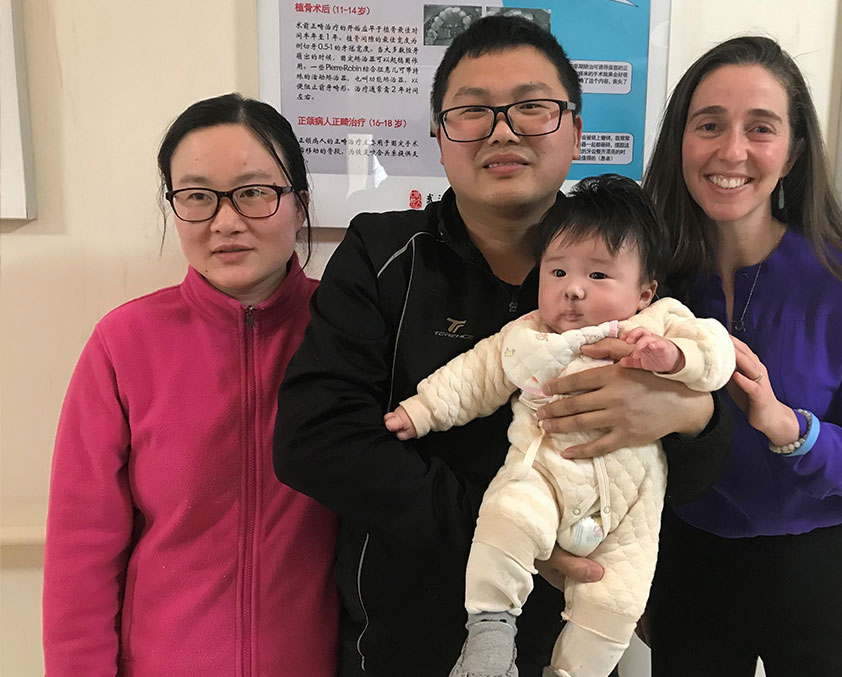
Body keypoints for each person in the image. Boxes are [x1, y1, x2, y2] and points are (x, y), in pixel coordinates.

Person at [273, 15, 731, 677]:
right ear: (439, 134)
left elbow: (701, 459)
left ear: (575, 129)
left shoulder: (629, 262)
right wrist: (510, 529)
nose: (502, 129)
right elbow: (315, 439)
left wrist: (690, 416)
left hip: (569, 635)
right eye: (472, 111)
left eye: (532, 107)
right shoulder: (382, 254)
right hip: (403, 641)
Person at [382, 175, 735, 677]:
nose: (573, 288)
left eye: (598, 276)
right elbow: (472, 377)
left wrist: (676, 357)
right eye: (559, 271)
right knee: (505, 519)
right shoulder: (527, 335)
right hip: (543, 476)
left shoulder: (659, 323)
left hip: (630, 506)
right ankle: (489, 634)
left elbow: (716, 352)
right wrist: (419, 411)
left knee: (615, 603)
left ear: (644, 292)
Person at [642, 35, 842, 676]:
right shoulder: (648, 282)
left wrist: (793, 432)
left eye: (759, 128)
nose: (730, 151)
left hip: (826, 577)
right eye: (708, 125)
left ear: (793, 152)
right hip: (690, 570)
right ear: (681, 139)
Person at [42, 94, 340, 676]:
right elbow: (82, 554)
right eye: (198, 197)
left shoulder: (351, 330)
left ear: (299, 205)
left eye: (254, 192)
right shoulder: (123, 343)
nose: (226, 221)